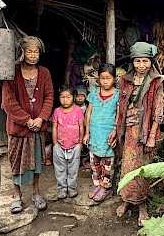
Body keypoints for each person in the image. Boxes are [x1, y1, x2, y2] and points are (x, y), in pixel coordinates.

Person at [113, 42, 164, 226]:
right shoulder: (125, 81)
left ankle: (142, 205)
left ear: (151, 62)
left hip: (144, 134)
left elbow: (158, 111)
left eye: (145, 61)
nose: (141, 65)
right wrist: (115, 129)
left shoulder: (156, 82)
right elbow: (120, 107)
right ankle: (127, 200)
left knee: (142, 169)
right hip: (128, 132)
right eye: (137, 61)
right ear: (132, 62)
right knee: (127, 168)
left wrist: (151, 137)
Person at [2, 36, 54, 214]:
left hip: (37, 128)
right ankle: (17, 195)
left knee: (37, 161)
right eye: (29, 51)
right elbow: (9, 102)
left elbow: (49, 97)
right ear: (22, 52)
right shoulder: (12, 73)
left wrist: (41, 118)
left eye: (36, 51)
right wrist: (27, 120)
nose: (33, 55)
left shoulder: (45, 73)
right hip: (19, 128)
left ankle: (36, 192)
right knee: (16, 161)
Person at [83, 64, 119, 202]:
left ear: (114, 79)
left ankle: (105, 188)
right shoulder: (94, 93)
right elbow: (89, 113)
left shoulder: (117, 95)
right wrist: (87, 133)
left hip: (107, 134)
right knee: (94, 162)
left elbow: (118, 115)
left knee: (107, 163)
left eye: (108, 78)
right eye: (102, 78)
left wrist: (115, 130)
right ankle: (97, 184)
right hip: (94, 133)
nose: (105, 81)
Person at [51, 84, 84, 199]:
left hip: (74, 145)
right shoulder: (57, 111)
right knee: (60, 168)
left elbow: (81, 126)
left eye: (68, 97)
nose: (65, 100)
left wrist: (80, 143)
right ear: (59, 98)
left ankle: (72, 188)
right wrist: (55, 143)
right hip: (59, 145)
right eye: (62, 97)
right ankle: (62, 188)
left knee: (73, 168)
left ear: (74, 97)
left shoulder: (78, 110)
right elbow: (54, 127)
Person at [75, 85, 91, 168]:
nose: (80, 98)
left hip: (84, 129)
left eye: (82, 96)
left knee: (84, 147)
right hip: (74, 130)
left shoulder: (87, 107)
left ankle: (84, 160)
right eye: (78, 96)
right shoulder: (73, 107)